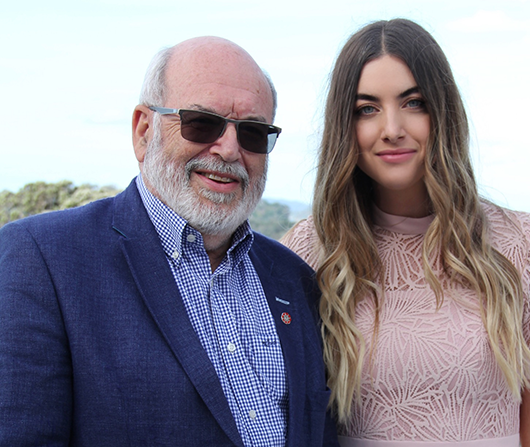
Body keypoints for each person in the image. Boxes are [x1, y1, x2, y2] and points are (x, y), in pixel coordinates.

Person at [0, 36, 338, 447]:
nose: (230, 149)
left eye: (253, 132)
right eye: (202, 122)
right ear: (144, 131)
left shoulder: (294, 280)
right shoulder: (42, 261)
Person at [281, 19, 530, 446]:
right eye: (366, 109)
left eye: (414, 102)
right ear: (344, 127)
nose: (391, 128)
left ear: (443, 111)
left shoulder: (524, 243)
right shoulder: (310, 250)